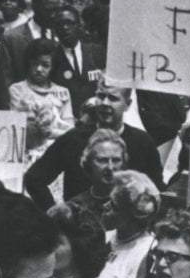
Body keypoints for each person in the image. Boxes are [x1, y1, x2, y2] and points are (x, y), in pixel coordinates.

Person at [23, 78, 163, 207]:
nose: (105, 103)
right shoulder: (74, 139)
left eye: (113, 98)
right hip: (81, 227)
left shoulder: (142, 142)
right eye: (101, 96)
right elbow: (34, 178)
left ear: (127, 104)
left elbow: (156, 190)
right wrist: (57, 215)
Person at [93, 170, 161, 278]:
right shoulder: (104, 236)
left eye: (113, 205)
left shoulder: (147, 253)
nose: (105, 206)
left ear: (133, 215)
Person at [9, 38, 76, 155]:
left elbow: (70, 130)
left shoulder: (63, 92)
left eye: (45, 65)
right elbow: (17, 129)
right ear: (28, 63)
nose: (39, 69)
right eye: (35, 63)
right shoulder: (17, 90)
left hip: (57, 153)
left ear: (53, 67)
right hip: (26, 151)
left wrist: (49, 133)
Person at [50, 3, 104, 116]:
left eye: (70, 23)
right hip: (68, 122)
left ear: (79, 25)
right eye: (60, 24)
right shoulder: (51, 58)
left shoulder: (97, 52)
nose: (65, 28)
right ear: (54, 29)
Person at [67, 128, 127, 227]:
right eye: (102, 160)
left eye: (116, 160)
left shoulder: (133, 203)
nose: (110, 167)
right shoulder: (75, 207)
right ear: (89, 163)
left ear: (124, 163)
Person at [2, 0, 62, 73]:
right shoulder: (11, 38)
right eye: (47, 10)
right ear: (34, 7)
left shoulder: (62, 34)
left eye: (56, 10)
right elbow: (6, 76)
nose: (53, 15)